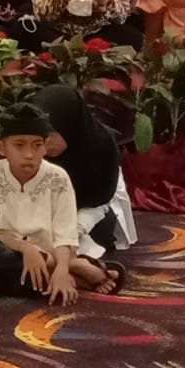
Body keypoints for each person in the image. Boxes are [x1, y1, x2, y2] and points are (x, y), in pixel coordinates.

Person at [0, 103, 123, 303]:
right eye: (19, 145)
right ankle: (77, 270)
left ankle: (58, 273)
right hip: (8, 251)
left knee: (13, 282)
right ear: (1, 147)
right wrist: (26, 249)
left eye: (37, 145)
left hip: (46, 253)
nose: (29, 154)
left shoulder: (58, 177)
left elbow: (64, 235)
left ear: (45, 146)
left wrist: (62, 269)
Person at [32, 85, 137, 260]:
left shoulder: (100, 145)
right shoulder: (30, 148)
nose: (45, 143)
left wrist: (75, 231)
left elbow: (100, 200)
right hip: (42, 215)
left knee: (97, 233)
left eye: (52, 133)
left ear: (69, 125)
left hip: (89, 211)